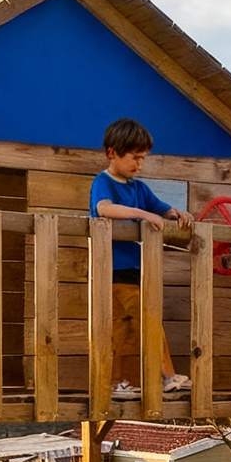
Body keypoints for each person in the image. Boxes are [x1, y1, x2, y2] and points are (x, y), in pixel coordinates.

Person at [89, 118, 192, 402]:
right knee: (139, 322)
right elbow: (104, 208)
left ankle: (118, 383)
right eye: (134, 157)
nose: (139, 164)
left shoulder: (139, 188)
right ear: (112, 153)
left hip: (135, 270)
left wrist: (177, 214)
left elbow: (161, 207)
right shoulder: (103, 182)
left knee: (130, 326)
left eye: (143, 158)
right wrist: (143, 215)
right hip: (111, 270)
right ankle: (167, 376)